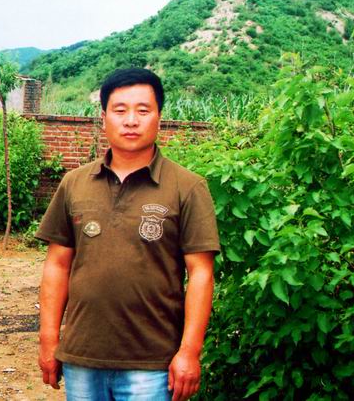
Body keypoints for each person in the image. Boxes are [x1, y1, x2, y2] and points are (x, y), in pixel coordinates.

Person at [35, 67, 219, 401]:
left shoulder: (187, 187)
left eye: (143, 110)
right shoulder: (74, 184)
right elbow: (57, 265)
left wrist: (189, 352)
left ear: (159, 118)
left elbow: (201, 274)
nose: (131, 121)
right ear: (104, 118)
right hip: (82, 358)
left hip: (152, 364)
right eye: (120, 110)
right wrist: (49, 340)